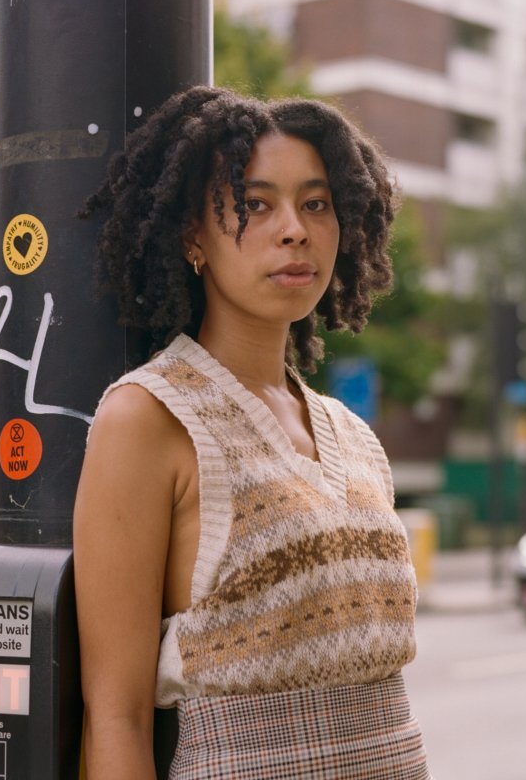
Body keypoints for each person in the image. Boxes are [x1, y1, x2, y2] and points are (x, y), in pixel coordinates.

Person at [73, 86, 431, 779]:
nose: (294, 229)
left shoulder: (353, 435)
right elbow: (115, 716)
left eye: (316, 203)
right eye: (256, 203)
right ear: (192, 237)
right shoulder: (150, 418)